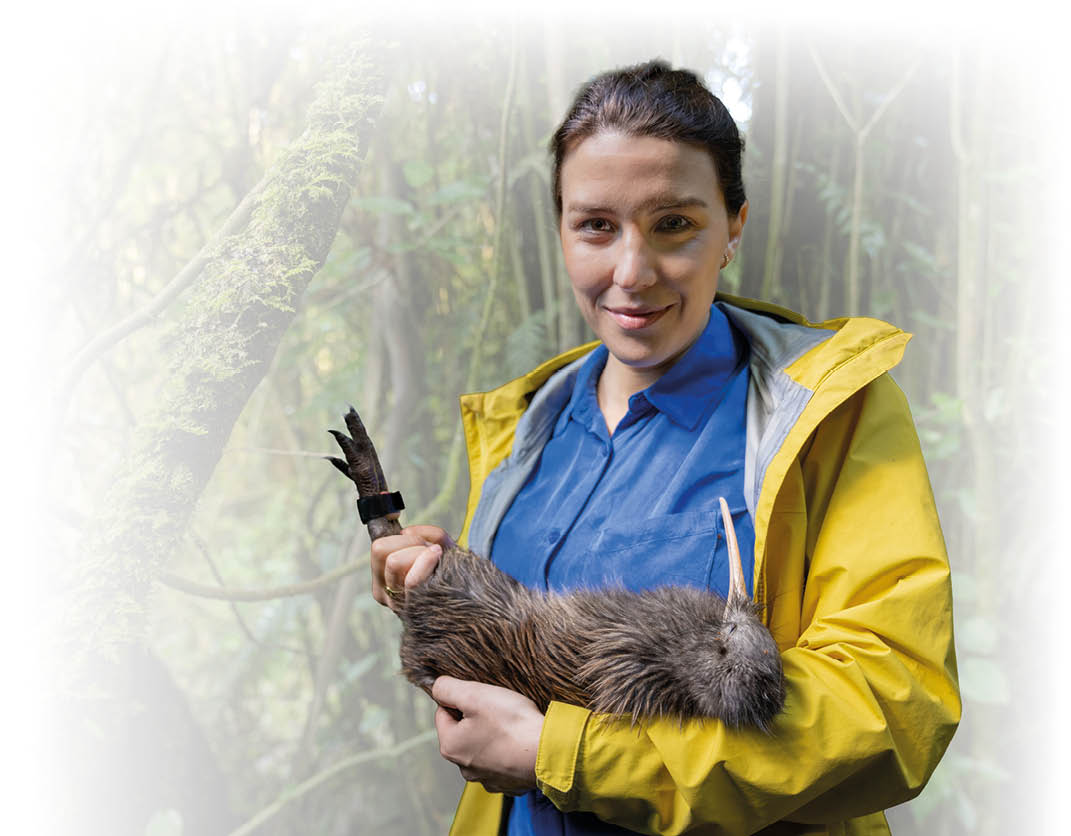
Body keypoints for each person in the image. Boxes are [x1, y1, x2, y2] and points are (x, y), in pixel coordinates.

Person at [370, 60, 960, 836]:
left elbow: (891, 709)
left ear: (732, 228)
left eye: (673, 224)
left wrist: (567, 754)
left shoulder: (827, 415)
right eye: (595, 226)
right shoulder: (524, 427)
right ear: (560, 231)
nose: (631, 272)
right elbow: (513, 670)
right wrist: (427, 588)